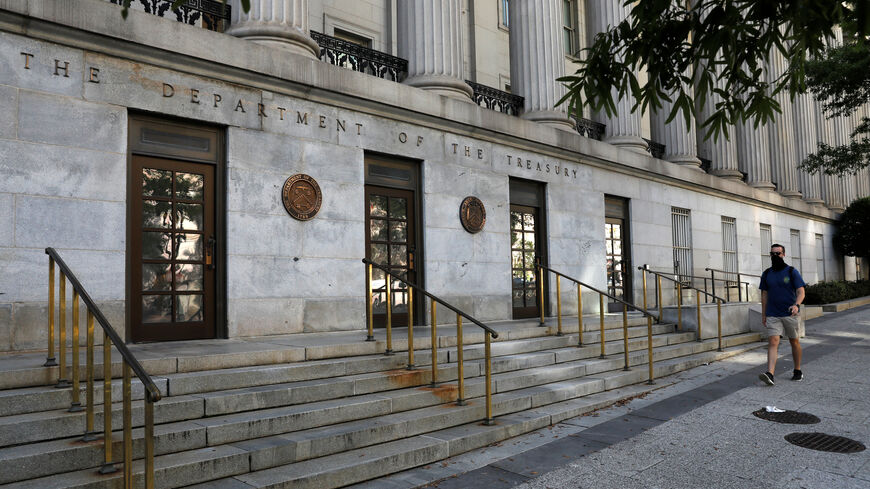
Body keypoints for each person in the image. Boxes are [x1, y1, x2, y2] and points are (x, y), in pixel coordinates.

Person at [758, 243, 806, 385]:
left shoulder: (791, 271)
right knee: (773, 341)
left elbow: (801, 291)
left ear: (783, 254)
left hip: (790, 313)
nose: (775, 256)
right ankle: (770, 374)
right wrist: (764, 314)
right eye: (772, 254)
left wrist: (797, 305)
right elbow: (764, 295)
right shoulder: (767, 273)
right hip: (773, 313)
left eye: (778, 253)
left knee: (794, 341)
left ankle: (797, 370)